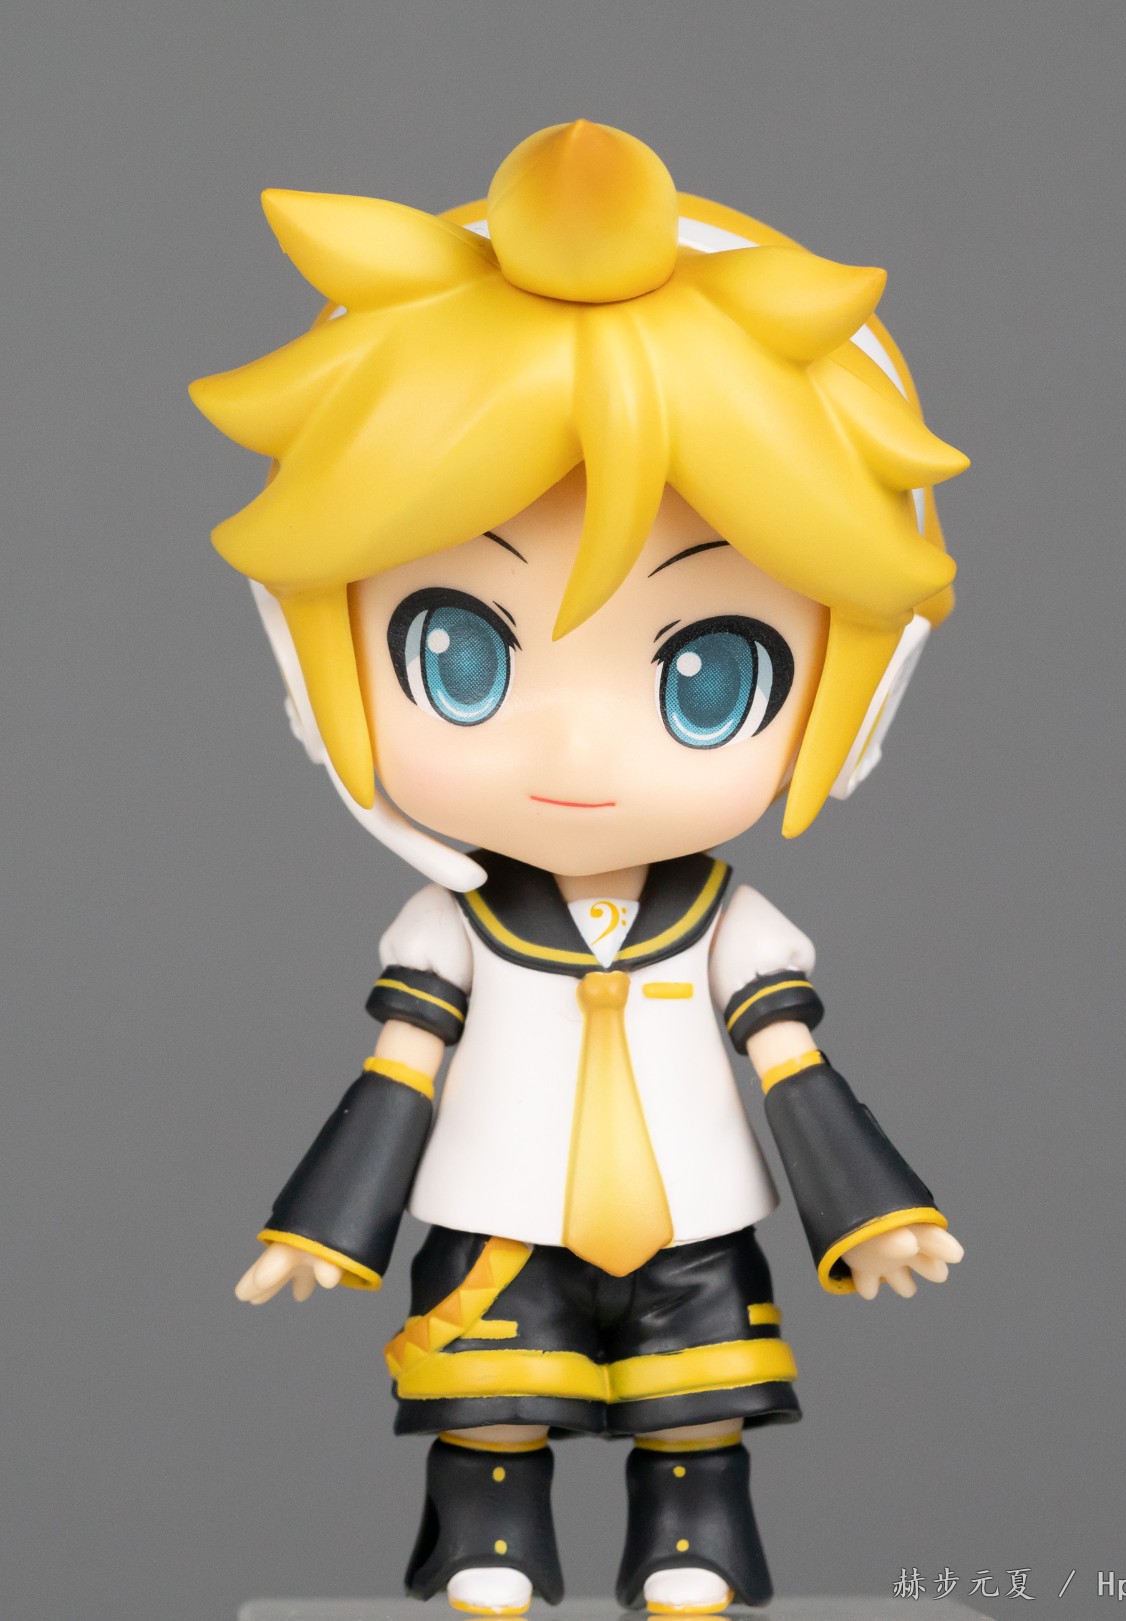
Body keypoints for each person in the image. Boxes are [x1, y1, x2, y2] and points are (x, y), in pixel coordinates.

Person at [191, 119, 967, 1618]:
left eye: (708, 675)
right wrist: (325, 1228)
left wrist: (872, 1207)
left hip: (693, 1219)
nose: (574, 742)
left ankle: (694, 1537)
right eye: (461, 656)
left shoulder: (731, 923)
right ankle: (489, 1536)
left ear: (858, 694)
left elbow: (794, 1066)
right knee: (491, 1408)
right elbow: (398, 1076)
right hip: (498, 1223)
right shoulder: (453, 927)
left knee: (698, 1416)